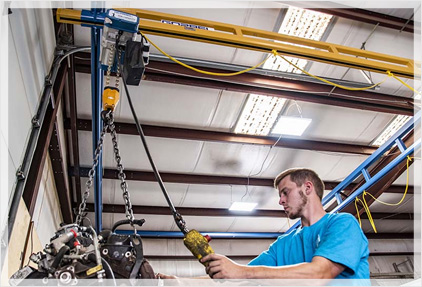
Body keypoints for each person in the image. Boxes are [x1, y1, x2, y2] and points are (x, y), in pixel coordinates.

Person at [157, 168, 370, 281]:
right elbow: (236, 279)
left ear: (307, 188)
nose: (280, 201)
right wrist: (179, 281)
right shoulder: (283, 245)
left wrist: (241, 272)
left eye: (285, 192)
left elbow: (319, 274)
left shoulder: (342, 224)